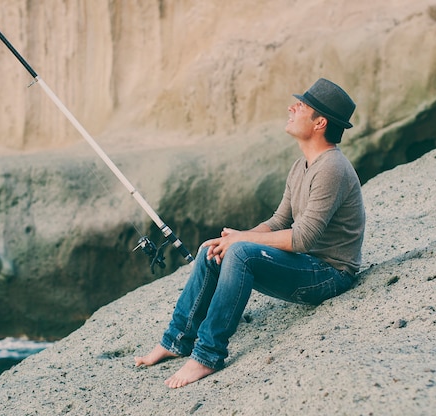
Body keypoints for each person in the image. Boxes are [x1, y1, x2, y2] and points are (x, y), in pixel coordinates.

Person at [134, 78, 366, 389]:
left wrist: (241, 241)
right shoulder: (303, 165)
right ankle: (177, 340)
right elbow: (278, 220)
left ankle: (206, 356)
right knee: (211, 250)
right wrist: (234, 236)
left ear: (320, 122)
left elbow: (302, 238)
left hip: (330, 274)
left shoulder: (332, 168)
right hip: (306, 264)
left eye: (302, 106)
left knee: (240, 253)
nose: (291, 108)